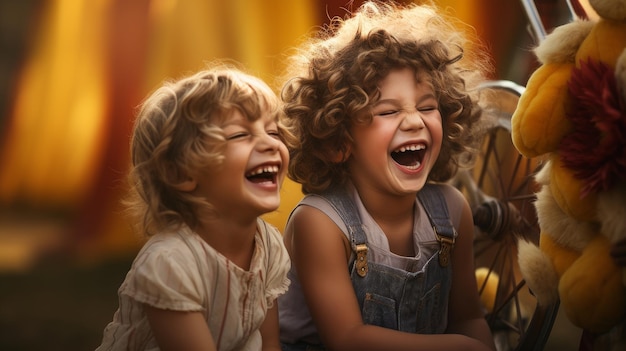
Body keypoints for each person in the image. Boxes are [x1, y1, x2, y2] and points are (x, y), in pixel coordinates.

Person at [277, 1, 496, 350]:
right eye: (388, 110)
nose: (413, 121)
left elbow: (468, 318)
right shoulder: (319, 223)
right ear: (339, 141)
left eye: (427, 107)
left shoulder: (453, 213)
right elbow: (347, 339)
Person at [96, 63, 291, 351]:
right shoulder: (171, 264)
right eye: (240, 135)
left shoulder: (269, 245)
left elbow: (270, 344)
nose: (271, 144)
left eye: (274, 132)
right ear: (181, 174)